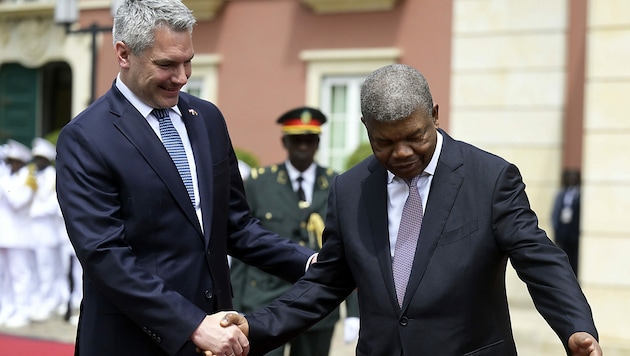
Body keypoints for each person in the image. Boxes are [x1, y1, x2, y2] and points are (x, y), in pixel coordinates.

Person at [217, 64, 602, 356]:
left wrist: (576, 327)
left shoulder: (489, 178)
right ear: (366, 127)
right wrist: (255, 325)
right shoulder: (350, 188)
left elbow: (539, 259)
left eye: (415, 137)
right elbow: (326, 280)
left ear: (434, 114)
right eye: (383, 142)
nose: (401, 154)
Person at [55, 0, 315, 355]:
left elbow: (234, 226)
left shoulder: (206, 118)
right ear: (123, 54)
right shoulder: (86, 137)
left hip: (217, 334)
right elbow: (105, 255)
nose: (182, 76)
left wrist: (308, 262)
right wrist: (191, 324)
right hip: (131, 340)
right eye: (166, 64)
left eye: (188, 61)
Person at [230, 107, 359, 356]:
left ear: (318, 143)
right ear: (284, 142)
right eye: (296, 140)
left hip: (318, 303)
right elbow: (240, 242)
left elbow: (349, 249)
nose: (303, 147)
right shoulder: (259, 183)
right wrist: (233, 303)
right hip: (263, 302)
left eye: (309, 140)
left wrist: (353, 312)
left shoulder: (337, 184)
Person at [0, 139, 37, 328]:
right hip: (4, 235)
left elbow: (18, 203)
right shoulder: (8, 176)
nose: (9, 165)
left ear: (21, 161)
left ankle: (23, 311)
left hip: (19, 236)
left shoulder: (29, 177)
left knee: (20, 275)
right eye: (8, 161)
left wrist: (4, 182)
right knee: (4, 276)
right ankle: (7, 308)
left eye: (12, 161)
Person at [29, 137, 64, 322]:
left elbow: (52, 204)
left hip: (48, 231)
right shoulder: (35, 175)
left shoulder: (52, 175)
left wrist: (36, 211)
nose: (36, 162)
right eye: (35, 158)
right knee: (39, 269)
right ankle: (44, 299)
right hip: (34, 231)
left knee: (48, 269)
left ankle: (51, 301)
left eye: (40, 158)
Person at [552, 168, 581, 276]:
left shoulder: (579, 194)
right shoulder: (562, 194)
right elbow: (555, 213)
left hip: (574, 234)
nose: (572, 179)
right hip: (563, 233)